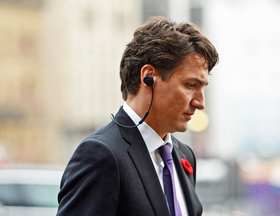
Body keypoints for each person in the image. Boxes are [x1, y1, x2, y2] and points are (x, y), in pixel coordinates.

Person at [56, 16, 219, 216]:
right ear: (148, 77)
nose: (200, 103)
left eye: (203, 88)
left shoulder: (185, 156)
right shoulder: (101, 155)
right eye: (190, 85)